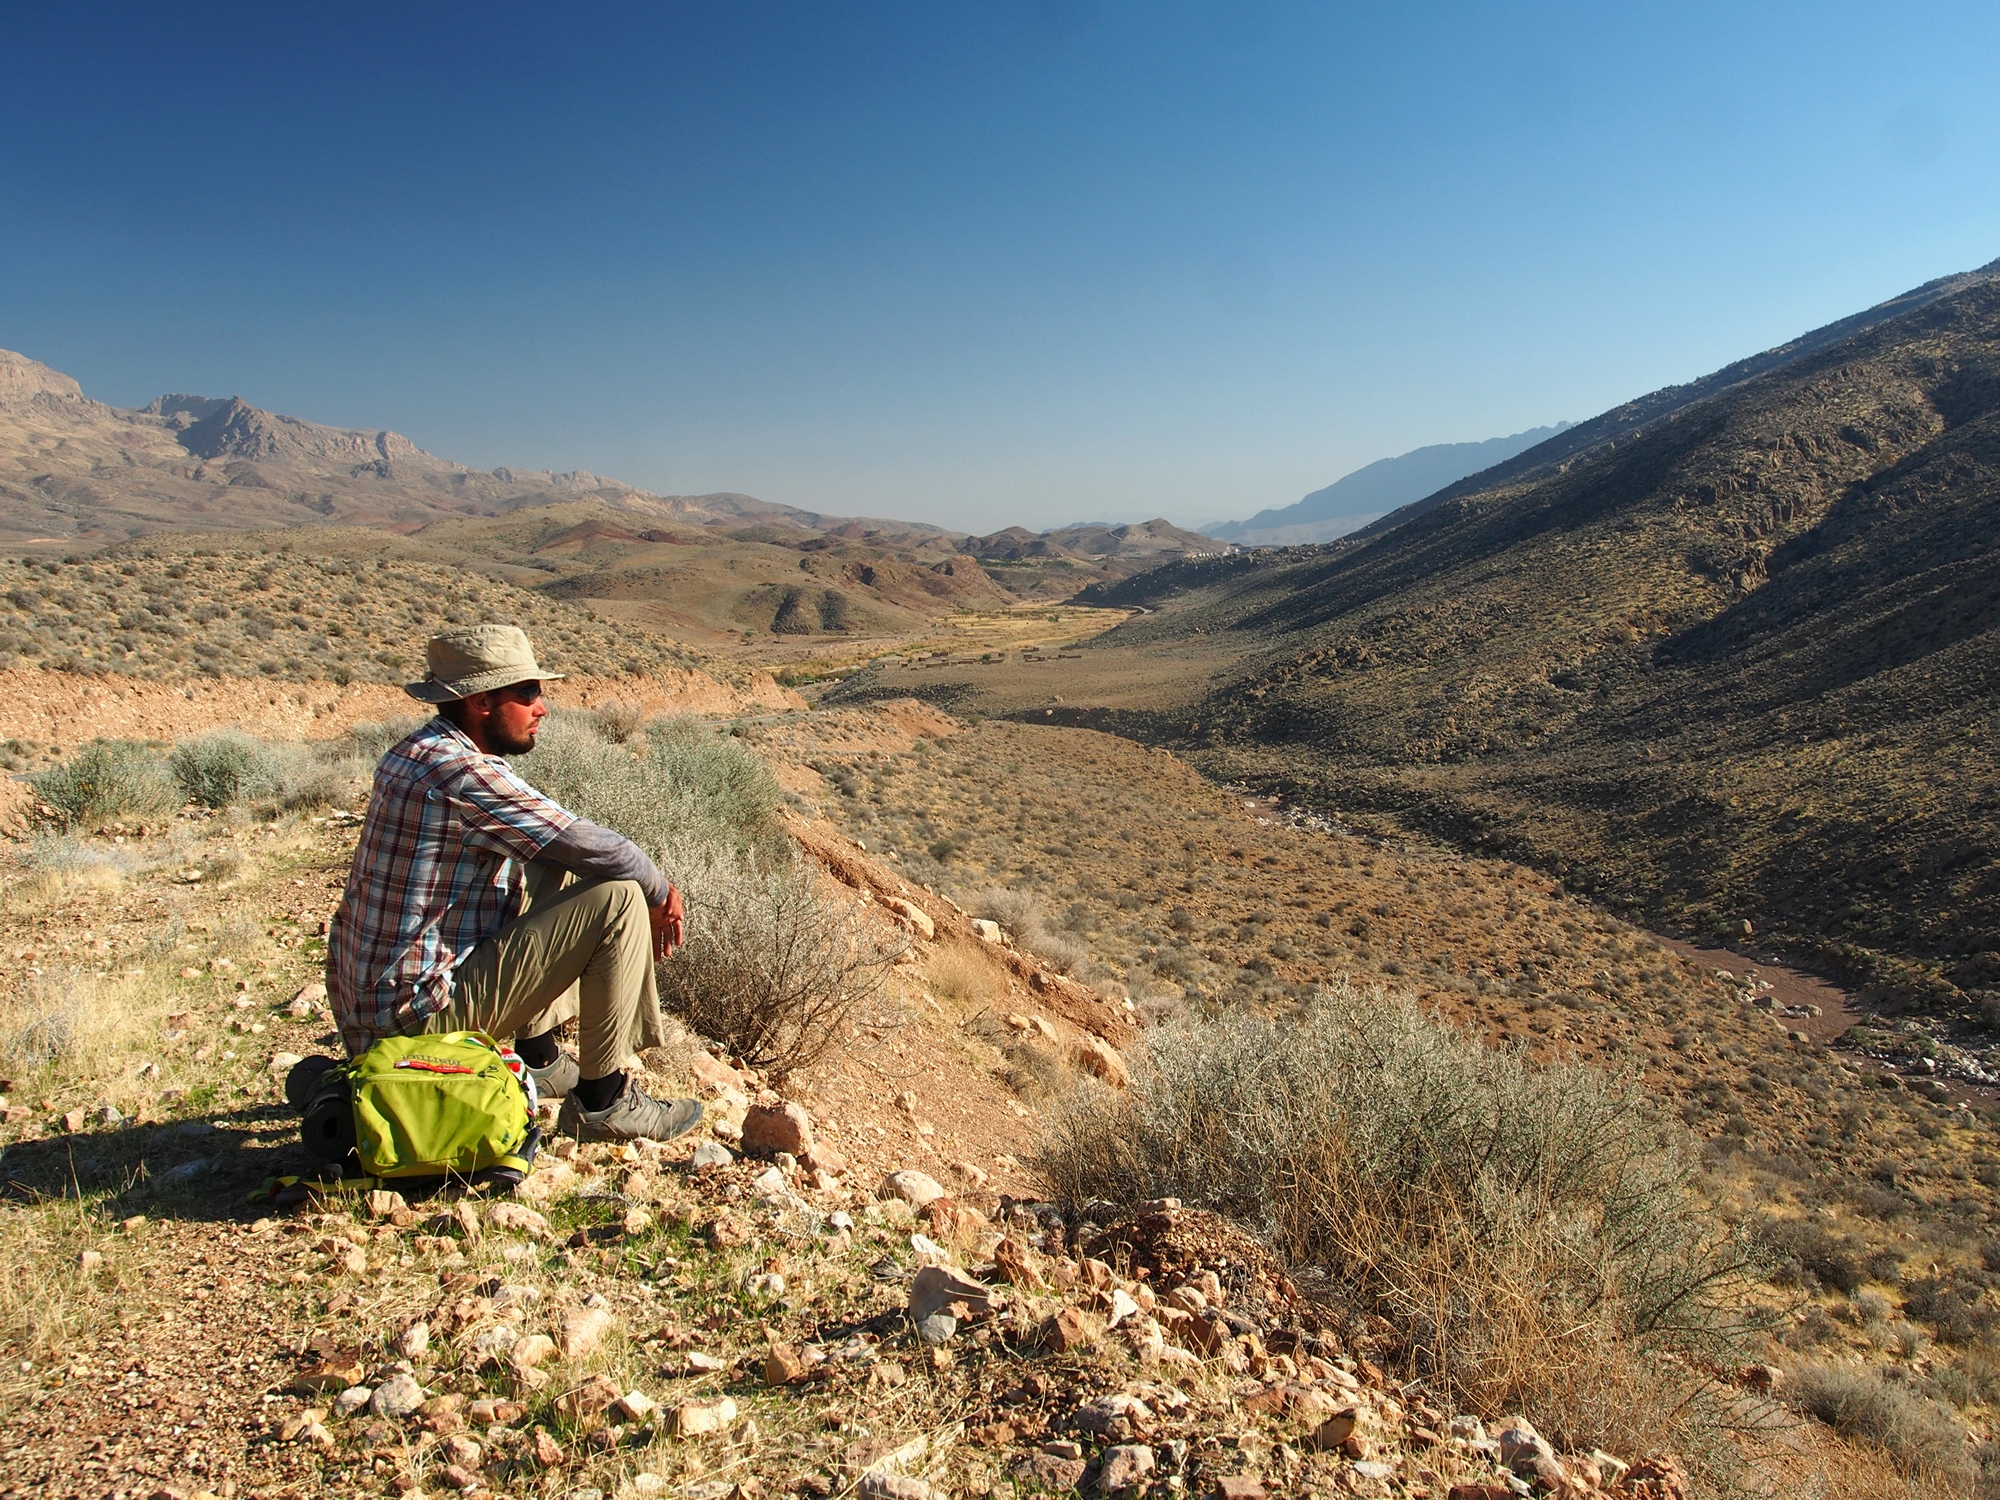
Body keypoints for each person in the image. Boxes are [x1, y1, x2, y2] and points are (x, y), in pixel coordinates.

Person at [327, 623, 703, 1143]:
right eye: (527, 694)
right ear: (481, 702)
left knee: (557, 858)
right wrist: (661, 895)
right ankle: (605, 1103)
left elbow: (566, 840)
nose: (541, 708)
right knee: (619, 896)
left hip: (378, 1010)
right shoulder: (460, 772)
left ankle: (538, 1055)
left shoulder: (419, 749)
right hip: (414, 1028)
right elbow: (614, 851)